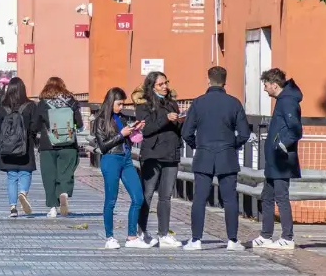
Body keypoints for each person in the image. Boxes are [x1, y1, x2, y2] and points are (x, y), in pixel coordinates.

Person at [182, 66, 250, 251]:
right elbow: (244, 133)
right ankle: (232, 240)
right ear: (225, 81)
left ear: (208, 80)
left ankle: (196, 240)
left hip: (204, 155)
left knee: (199, 199)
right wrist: (232, 145)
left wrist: (198, 145)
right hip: (226, 155)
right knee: (229, 199)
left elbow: (186, 132)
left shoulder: (198, 103)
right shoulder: (234, 103)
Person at [253, 68, 304, 250]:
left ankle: (287, 237)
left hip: (282, 159)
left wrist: (282, 145)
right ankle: (266, 235)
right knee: (267, 195)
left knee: (281, 197)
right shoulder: (282, 101)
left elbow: (296, 130)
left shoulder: (287, 101)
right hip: (274, 159)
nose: (265, 89)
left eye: (266, 85)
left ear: (274, 84)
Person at [94, 87, 150, 249]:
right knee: (111, 200)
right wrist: (121, 134)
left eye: (123, 104)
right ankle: (109, 237)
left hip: (126, 159)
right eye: (119, 104)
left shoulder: (122, 118)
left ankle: (132, 237)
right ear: (111, 102)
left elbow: (129, 139)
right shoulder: (101, 120)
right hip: (111, 159)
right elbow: (103, 146)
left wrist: (135, 130)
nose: (121, 107)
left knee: (138, 197)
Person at [134, 71, 183, 248]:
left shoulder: (172, 102)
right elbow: (146, 130)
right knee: (147, 194)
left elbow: (176, 126)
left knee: (166, 196)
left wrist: (180, 120)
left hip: (171, 153)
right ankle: (141, 231)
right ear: (152, 86)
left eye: (166, 83)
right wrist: (166, 118)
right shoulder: (143, 104)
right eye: (160, 84)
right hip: (152, 154)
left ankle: (164, 233)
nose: (165, 87)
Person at [33, 77, 84, 218]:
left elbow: (35, 126)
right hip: (68, 144)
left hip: (47, 144)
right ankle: (64, 192)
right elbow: (79, 125)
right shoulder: (72, 102)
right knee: (66, 172)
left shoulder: (42, 104)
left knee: (49, 176)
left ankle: (53, 208)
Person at [0, 78, 37, 218]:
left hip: (7, 148)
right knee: (25, 172)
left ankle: (13, 207)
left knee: (12, 176)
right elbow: (35, 126)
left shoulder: (2, 107)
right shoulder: (30, 106)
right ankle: (23, 193)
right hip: (25, 145)